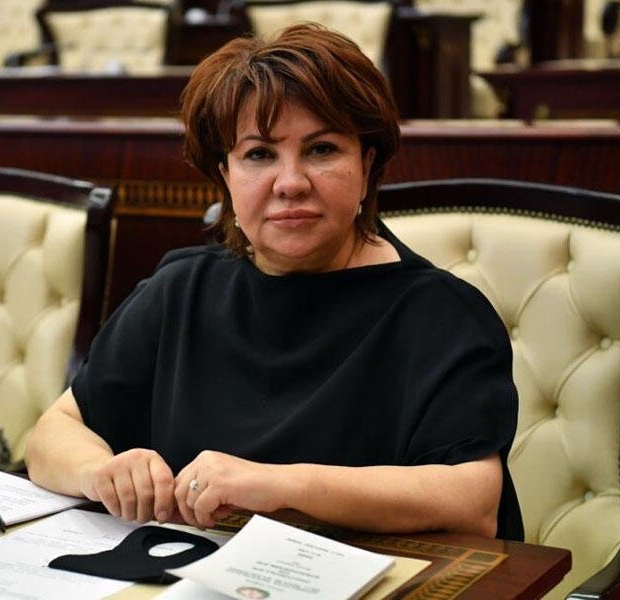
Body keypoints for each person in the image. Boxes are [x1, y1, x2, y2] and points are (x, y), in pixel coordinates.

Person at [26, 23, 524, 541]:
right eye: (259, 154)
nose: (290, 183)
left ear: (366, 164)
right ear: (226, 174)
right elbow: (53, 433)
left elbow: (472, 502)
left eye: (321, 149)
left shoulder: (442, 313)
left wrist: (281, 486)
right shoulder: (180, 290)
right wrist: (101, 471)